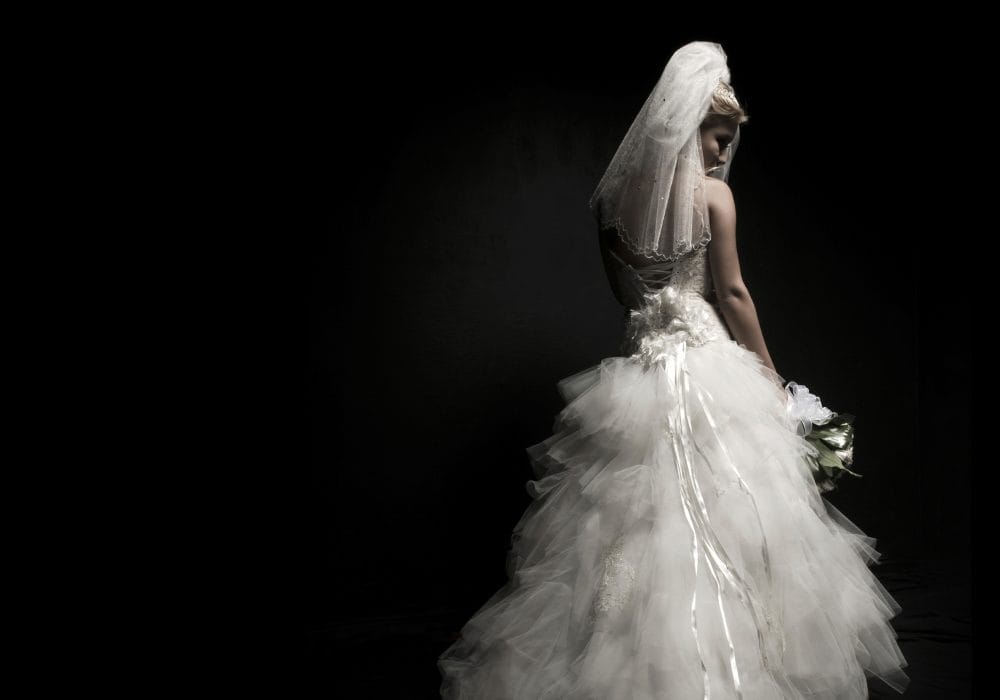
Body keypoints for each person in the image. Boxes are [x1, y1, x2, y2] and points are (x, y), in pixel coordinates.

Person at [437, 41, 910, 699]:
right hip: (706, 362)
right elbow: (734, 295)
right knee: (733, 507)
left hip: (639, 370)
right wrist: (773, 377)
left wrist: (662, 317)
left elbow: (626, 299)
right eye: (719, 137)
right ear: (689, 126)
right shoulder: (714, 198)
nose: (723, 153)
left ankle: (636, 664)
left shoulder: (610, 203)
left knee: (633, 520)